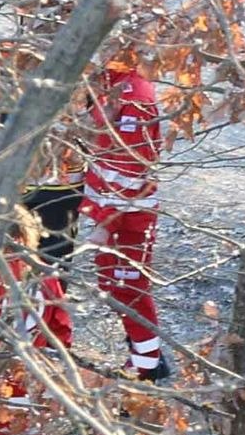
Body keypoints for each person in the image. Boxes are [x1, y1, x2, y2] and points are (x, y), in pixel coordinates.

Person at [58, 53, 168, 381]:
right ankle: (143, 351)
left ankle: (148, 365)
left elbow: (134, 165)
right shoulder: (109, 85)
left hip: (130, 217)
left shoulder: (136, 97)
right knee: (111, 284)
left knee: (129, 286)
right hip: (111, 210)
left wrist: (107, 224)